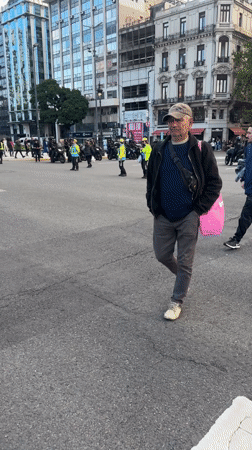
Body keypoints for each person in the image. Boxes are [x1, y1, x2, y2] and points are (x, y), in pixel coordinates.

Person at [146, 103, 222, 320]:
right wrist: (153, 206)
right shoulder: (159, 148)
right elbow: (151, 180)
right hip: (163, 215)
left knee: (186, 261)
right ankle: (184, 278)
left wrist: (198, 210)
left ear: (190, 122)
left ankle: (177, 300)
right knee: (162, 255)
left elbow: (214, 183)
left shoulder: (201, 149)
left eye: (178, 119)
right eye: (171, 119)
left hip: (189, 215)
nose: (173, 123)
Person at [224, 127, 252, 249]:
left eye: (250, 133)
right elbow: (248, 166)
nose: (247, 134)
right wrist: (244, 179)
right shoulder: (248, 147)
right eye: (248, 132)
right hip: (250, 187)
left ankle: (236, 239)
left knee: (246, 216)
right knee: (246, 215)